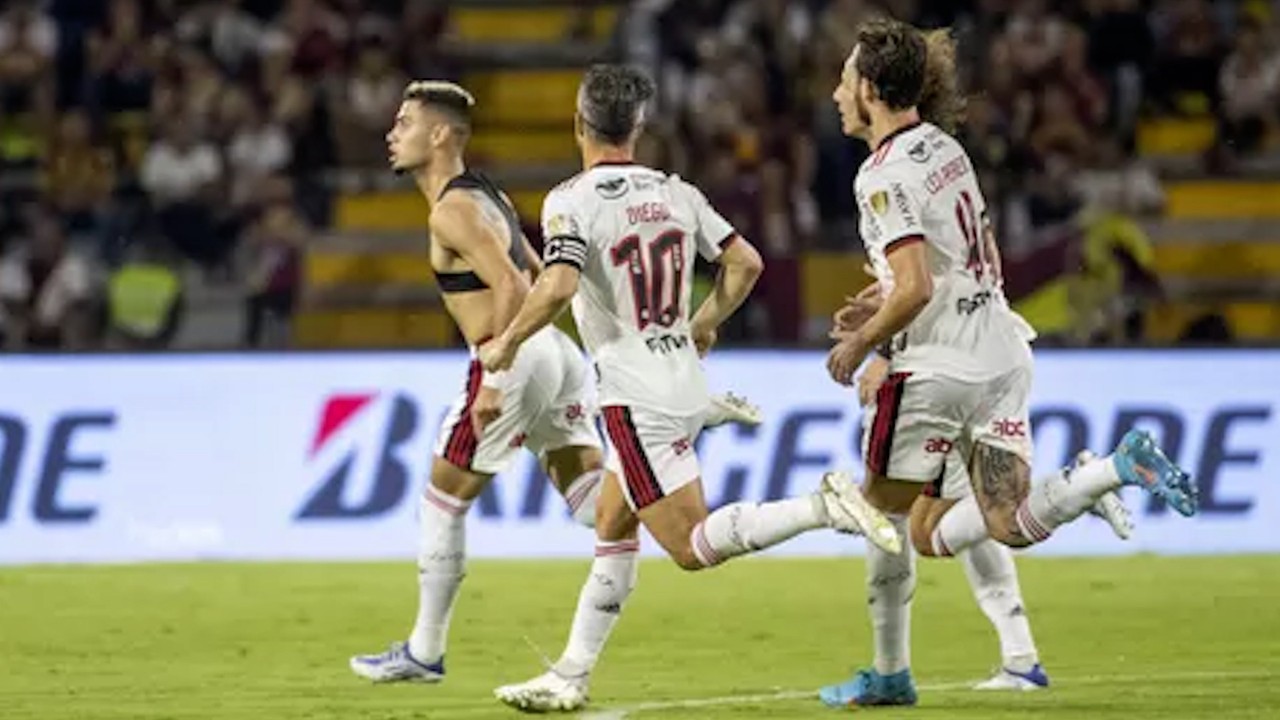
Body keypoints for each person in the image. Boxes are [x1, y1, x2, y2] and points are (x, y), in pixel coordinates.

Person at [479, 64, 899, 713]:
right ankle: (570, 674)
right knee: (613, 522)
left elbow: (559, 285)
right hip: (682, 374)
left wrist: (505, 344)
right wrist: (704, 323)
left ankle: (819, 507)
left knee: (692, 546)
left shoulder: (570, 199)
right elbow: (746, 262)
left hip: (632, 391)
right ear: (639, 128)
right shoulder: (678, 193)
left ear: (578, 124)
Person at [819, 19, 1197, 707]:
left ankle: (890, 674)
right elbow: (947, 266)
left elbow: (917, 288)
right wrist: (879, 301)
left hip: (937, 370)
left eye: (845, 79)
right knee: (1006, 523)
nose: (836, 92)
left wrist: (861, 343)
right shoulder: (944, 151)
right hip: (999, 353)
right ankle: (1110, 470)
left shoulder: (880, 176)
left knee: (880, 517)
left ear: (871, 89)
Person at [348, 80, 758, 686]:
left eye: (404, 122)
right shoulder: (488, 196)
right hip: (554, 354)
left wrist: (496, 374)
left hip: (510, 355)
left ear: (439, 135)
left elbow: (514, 289)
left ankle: (424, 650)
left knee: (442, 499)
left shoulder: (451, 210)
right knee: (600, 507)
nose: (392, 133)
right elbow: (538, 270)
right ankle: (684, 420)